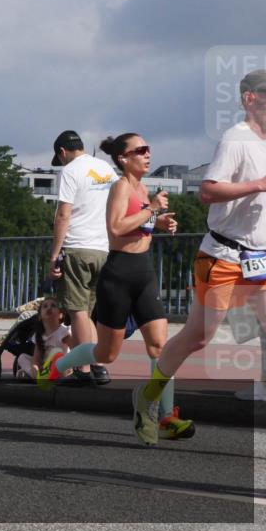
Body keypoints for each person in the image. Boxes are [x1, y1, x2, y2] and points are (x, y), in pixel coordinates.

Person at [134, 69, 266, 441]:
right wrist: (260, 184)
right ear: (249, 99)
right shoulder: (235, 140)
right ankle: (147, 398)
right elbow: (208, 192)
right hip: (224, 257)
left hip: (263, 259)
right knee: (198, 338)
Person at [37, 134, 195, 443]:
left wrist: (160, 223)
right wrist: (151, 210)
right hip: (119, 274)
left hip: (144, 273)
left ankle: (163, 416)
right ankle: (58, 364)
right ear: (124, 159)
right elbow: (116, 227)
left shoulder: (141, 187)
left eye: (149, 149)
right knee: (105, 354)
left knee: (161, 347)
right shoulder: (120, 186)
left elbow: (139, 224)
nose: (148, 155)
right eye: (141, 151)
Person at [48, 129, 119, 385]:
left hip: (78, 247)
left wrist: (54, 255)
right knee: (89, 314)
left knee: (78, 312)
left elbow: (64, 215)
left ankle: (89, 368)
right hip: (106, 248)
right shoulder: (107, 170)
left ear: (62, 152)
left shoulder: (70, 171)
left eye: (61, 158)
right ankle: (97, 365)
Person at [15, 298, 76, 381]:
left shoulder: (64, 332)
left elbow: (75, 350)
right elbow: (36, 359)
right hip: (45, 366)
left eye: (53, 306)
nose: (49, 308)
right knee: (22, 357)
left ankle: (37, 377)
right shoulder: (39, 335)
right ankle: (37, 376)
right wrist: (34, 368)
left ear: (60, 315)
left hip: (61, 366)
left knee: (57, 356)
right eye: (45, 306)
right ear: (40, 316)